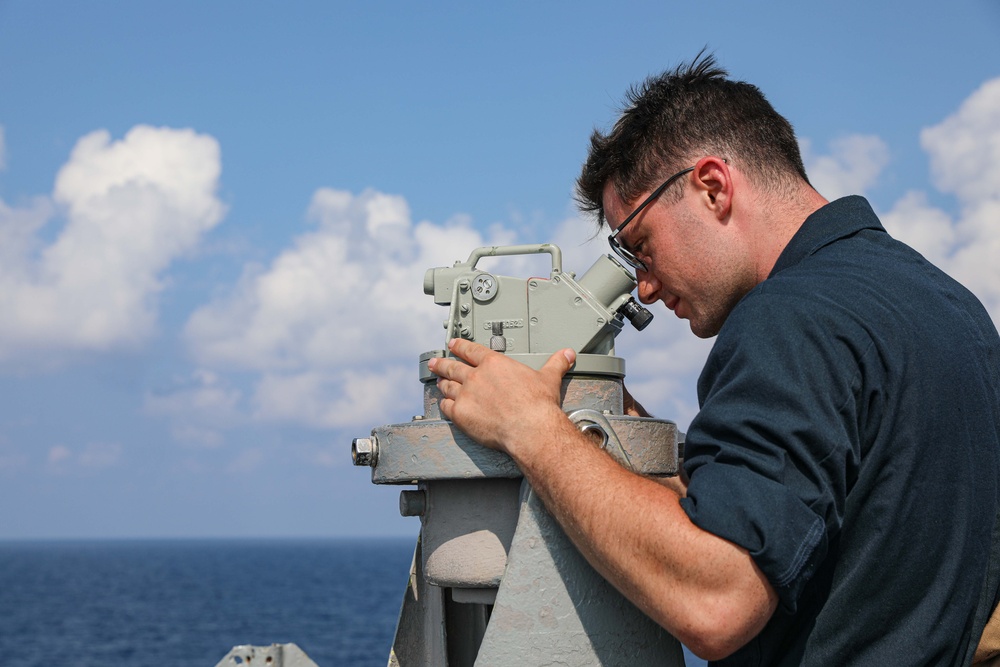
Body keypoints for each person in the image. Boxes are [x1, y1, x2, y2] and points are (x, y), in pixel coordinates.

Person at [428, 54, 1000, 665]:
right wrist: (620, 441)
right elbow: (841, 531)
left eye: (640, 246)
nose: (643, 287)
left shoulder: (790, 319)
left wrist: (531, 428)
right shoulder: (951, 307)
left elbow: (718, 600)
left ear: (712, 186)